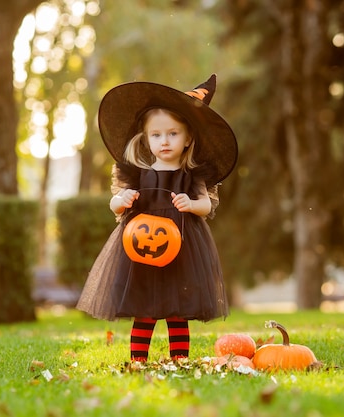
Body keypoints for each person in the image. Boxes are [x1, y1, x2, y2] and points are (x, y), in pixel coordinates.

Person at [76, 74, 238, 363]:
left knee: (178, 310)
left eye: (173, 134)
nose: (165, 141)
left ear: (188, 138)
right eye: (157, 135)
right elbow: (116, 205)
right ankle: (138, 361)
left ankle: (179, 361)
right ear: (146, 138)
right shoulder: (137, 174)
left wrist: (190, 203)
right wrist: (121, 201)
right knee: (145, 310)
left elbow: (206, 205)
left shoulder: (192, 175)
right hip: (141, 248)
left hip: (184, 248)